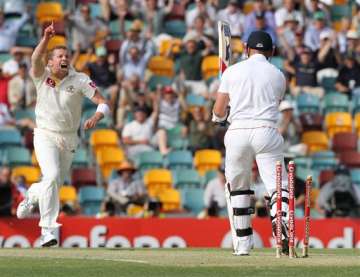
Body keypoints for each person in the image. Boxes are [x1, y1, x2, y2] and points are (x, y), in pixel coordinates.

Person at [16, 23, 109, 247]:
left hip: (69, 137)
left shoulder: (80, 79)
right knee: (52, 174)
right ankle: (48, 231)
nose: (64, 58)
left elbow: (102, 102)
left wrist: (96, 117)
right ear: (50, 61)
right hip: (45, 133)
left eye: (66, 55)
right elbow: (35, 59)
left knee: (54, 182)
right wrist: (46, 39)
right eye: (59, 55)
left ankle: (33, 194)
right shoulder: (41, 75)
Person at [212, 31, 289, 256]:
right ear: (271, 52)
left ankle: (243, 244)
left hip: (237, 132)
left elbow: (218, 110)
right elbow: (274, 102)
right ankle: (280, 221)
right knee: (279, 186)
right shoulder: (278, 75)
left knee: (238, 189)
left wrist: (218, 117)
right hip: (267, 131)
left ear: (246, 49)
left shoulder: (232, 71)